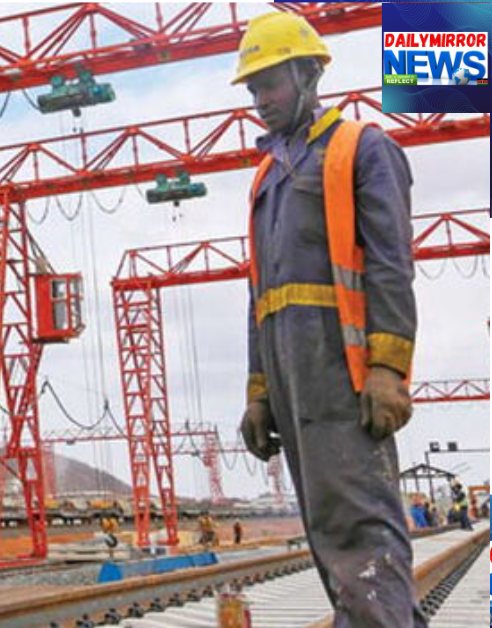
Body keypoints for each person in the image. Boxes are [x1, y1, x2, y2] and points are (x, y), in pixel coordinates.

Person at [232, 12, 424, 627]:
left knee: (361, 531)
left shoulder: (362, 148)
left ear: (309, 74)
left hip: (343, 373)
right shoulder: (268, 177)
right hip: (291, 379)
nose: (261, 100)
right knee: (331, 534)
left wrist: (388, 368)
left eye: (270, 83)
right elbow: (261, 294)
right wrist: (260, 393)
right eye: (254, 89)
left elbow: (391, 265)